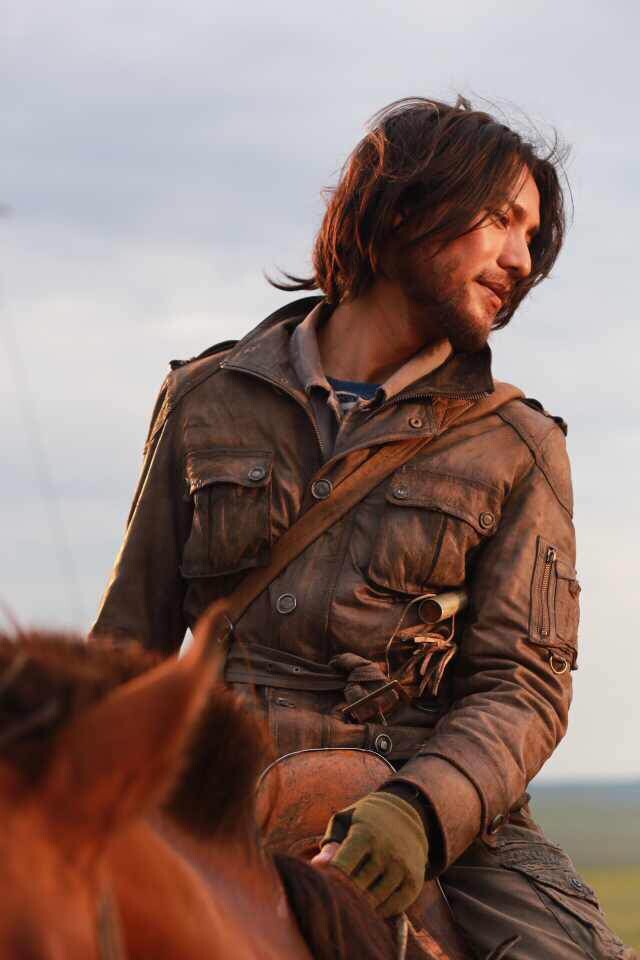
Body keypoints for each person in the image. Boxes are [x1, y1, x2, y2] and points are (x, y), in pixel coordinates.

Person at [91, 98, 628, 959]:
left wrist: (422, 811)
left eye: (533, 239)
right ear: (404, 208)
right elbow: (128, 643)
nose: (521, 261)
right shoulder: (203, 398)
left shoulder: (518, 444)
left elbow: (523, 687)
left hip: (426, 813)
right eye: (501, 220)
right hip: (211, 798)